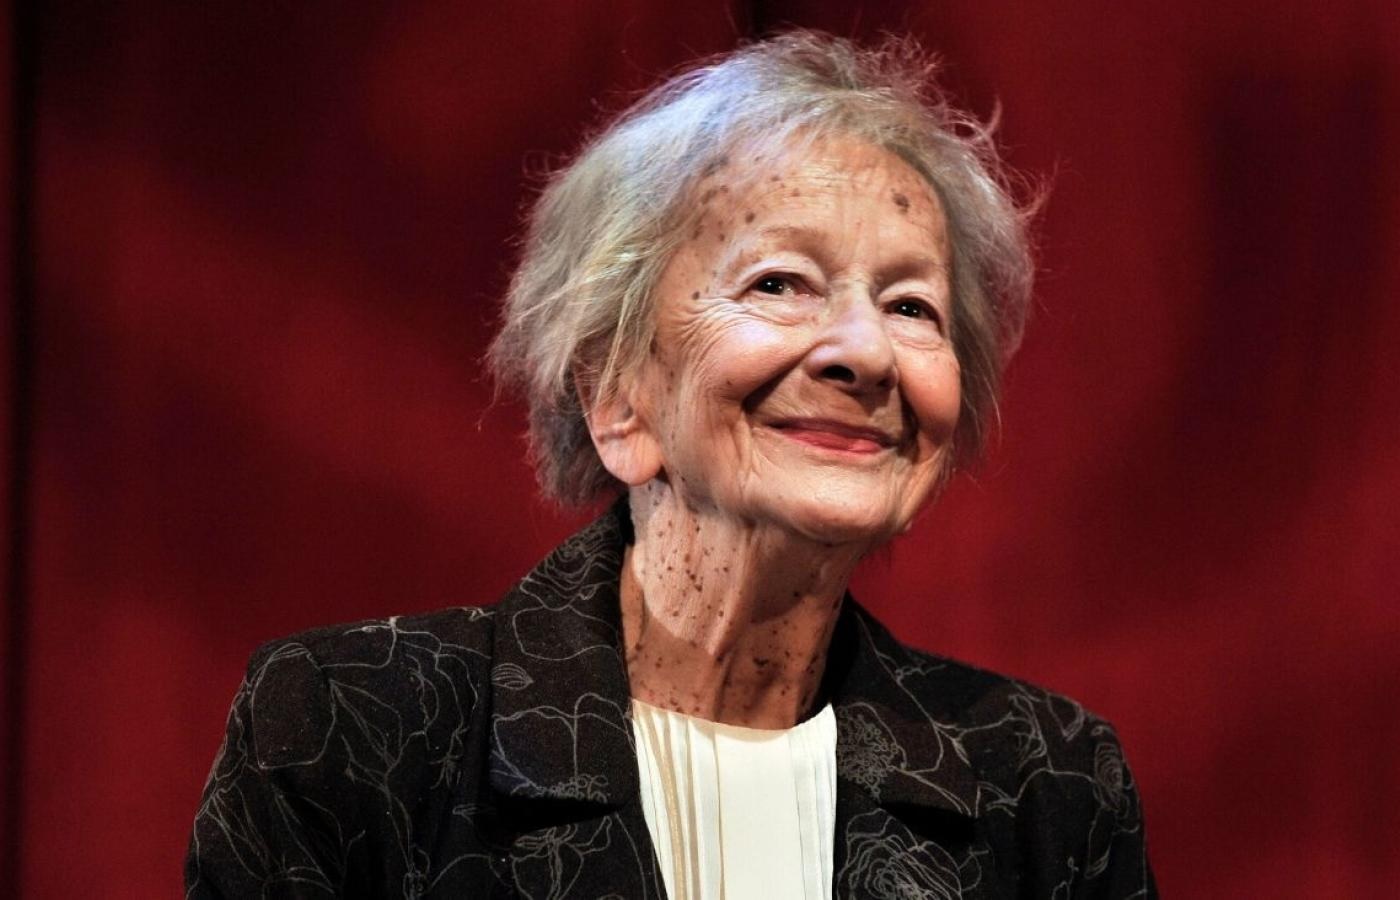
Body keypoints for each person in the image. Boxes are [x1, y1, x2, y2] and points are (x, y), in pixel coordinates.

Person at [186, 31, 1155, 899]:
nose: (865, 352)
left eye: (910, 306)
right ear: (615, 393)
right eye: (779, 283)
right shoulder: (355, 728)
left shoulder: (1046, 783)